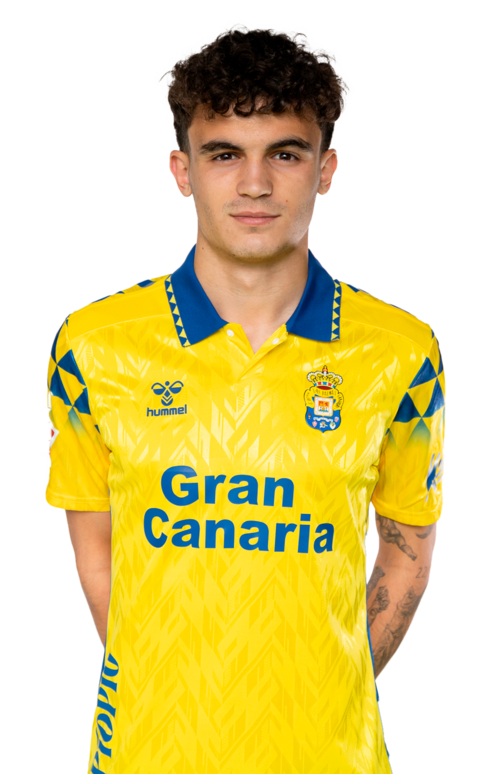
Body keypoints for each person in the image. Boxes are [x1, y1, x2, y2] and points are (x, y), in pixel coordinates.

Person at [46, 24, 445, 774]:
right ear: (182, 170)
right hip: (146, 753)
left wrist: (322, 688)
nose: (255, 184)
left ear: (325, 170)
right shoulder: (95, 344)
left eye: (284, 154)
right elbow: (95, 544)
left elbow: (406, 552)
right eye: (225, 154)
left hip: (331, 758)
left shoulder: (399, 350)